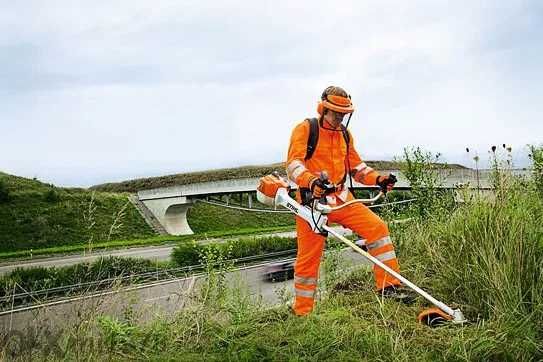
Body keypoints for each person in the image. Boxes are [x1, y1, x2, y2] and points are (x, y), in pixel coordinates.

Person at [286, 85, 411, 316]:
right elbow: (293, 165)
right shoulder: (305, 130)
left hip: (342, 198)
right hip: (312, 203)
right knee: (308, 260)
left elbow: (357, 168)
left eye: (343, 114)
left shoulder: (345, 134)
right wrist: (311, 181)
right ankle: (302, 313)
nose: (340, 118)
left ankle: (389, 287)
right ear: (323, 108)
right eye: (335, 113)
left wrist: (378, 178)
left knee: (377, 228)